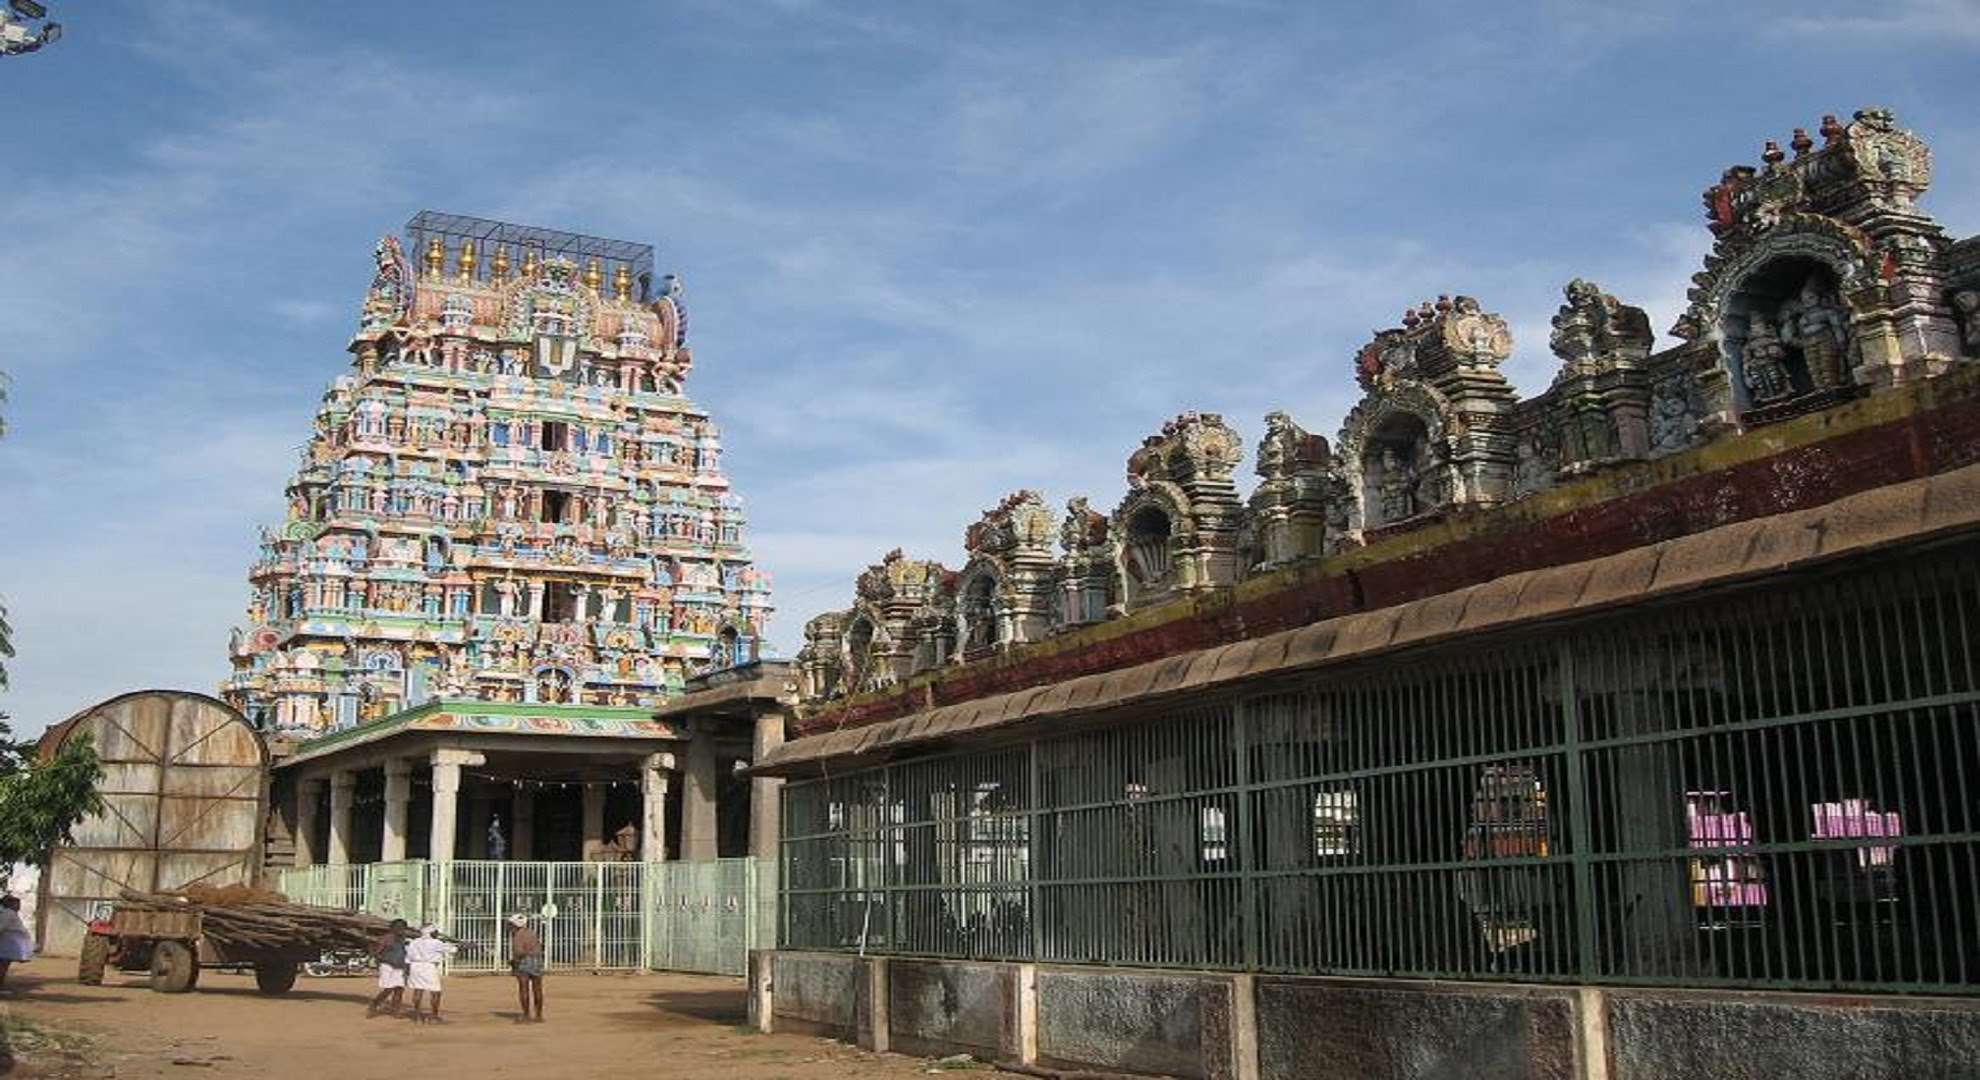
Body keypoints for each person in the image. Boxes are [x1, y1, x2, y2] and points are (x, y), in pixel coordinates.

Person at [404, 925, 457, 1024]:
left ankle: (417, 1015)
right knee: (435, 991)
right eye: (435, 932)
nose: (437, 933)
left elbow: (407, 958)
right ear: (431, 933)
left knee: (418, 990)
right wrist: (463, 945)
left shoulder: (414, 942)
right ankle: (434, 1016)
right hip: (428, 967)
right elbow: (452, 950)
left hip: (415, 967)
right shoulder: (436, 943)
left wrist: (407, 972)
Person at [365, 918, 410, 1018]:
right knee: (389, 988)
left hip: (400, 967)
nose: (400, 929)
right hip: (387, 966)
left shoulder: (404, 939)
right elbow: (376, 953)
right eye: (398, 927)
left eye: (402, 927)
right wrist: (384, 961)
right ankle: (374, 1003)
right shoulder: (386, 938)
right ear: (392, 928)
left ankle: (395, 1010)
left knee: (399, 989)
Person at [507, 914, 544, 1023]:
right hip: (536, 960)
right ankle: (538, 1015)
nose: (509, 927)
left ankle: (526, 1015)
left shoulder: (518, 936)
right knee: (537, 989)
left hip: (524, 962)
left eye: (510, 924)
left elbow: (519, 952)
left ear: (515, 925)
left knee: (524, 989)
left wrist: (514, 962)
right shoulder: (531, 933)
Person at [0, 896, 33, 990]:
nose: (19, 906)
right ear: (10, 904)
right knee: (3, 964)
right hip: (9, 943)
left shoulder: (9, 913)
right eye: (17, 904)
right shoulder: (8, 913)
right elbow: (1, 927)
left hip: (10, 942)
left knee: (4, 964)